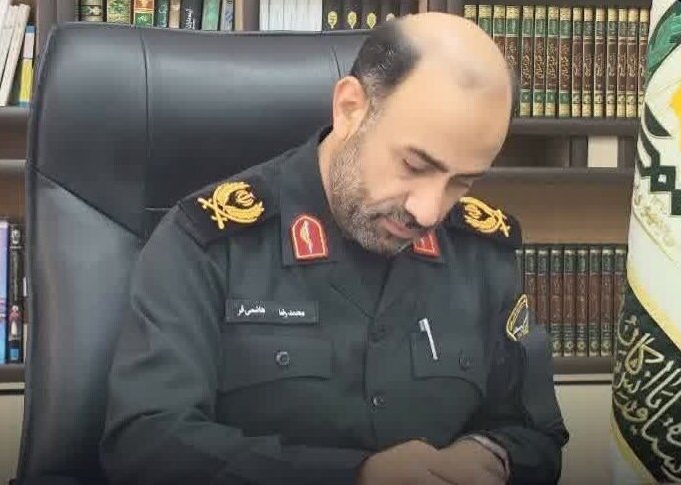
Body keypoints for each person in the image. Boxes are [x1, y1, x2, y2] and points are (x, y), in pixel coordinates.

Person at [99, 11, 569, 485]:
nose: (428, 212)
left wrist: (486, 456)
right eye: (414, 165)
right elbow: (147, 444)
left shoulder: (481, 252)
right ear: (349, 109)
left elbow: (536, 434)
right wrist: (355, 476)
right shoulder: (211, 242)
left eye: (461, 182)